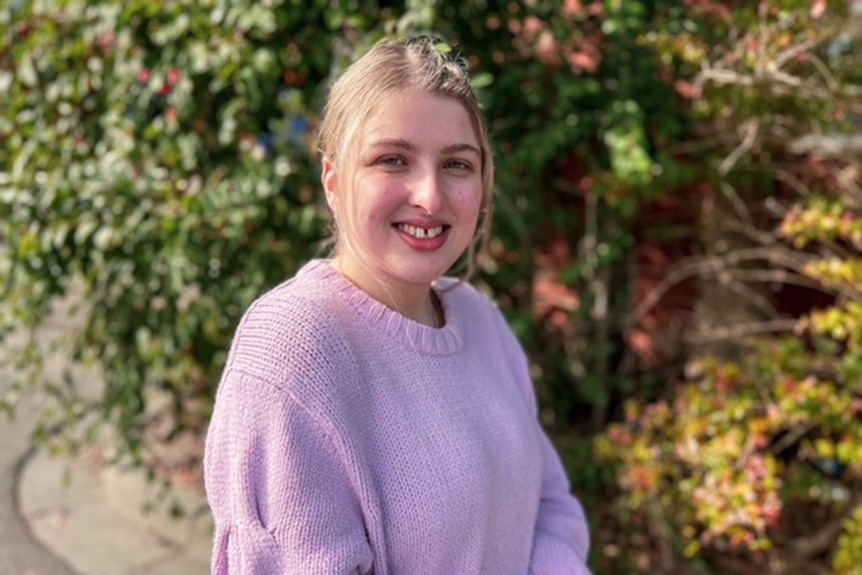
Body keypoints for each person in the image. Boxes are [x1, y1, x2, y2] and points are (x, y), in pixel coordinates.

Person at [203, 35, 594, 575]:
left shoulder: (478, 319)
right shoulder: (292, 350)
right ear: (334, 182)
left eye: (457, 165)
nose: (430, 197)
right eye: (393, 159)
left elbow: (550, 504)